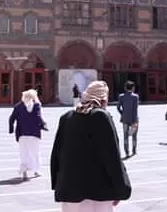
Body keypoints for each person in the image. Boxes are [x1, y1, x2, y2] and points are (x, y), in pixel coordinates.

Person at [51, 81, 132, 211]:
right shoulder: (101, 116)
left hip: (69, 191)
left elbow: (56, 155)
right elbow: (112, 158)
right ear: (103, 99)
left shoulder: (67, 117)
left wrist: (58, 184)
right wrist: (121, 189)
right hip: (98, 193)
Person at [9, 89, 45, 180]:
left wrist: (11, 129)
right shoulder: (36, 105)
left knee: (24, 153)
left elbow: (11, 118)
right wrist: (43, 125)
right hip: (34, 133)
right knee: (35, 152)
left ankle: (24, 171)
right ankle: (37, 170)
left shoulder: (18, 106)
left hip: (22, 133)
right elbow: (38, 117)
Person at [116, 81, 139, 157]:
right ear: (132, 88)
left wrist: (122, 113)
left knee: (125, 135)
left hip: (125, 119)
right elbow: (135, 109)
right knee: (134, 135)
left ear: (125, 88)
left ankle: (126, 152)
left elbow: (118, 107)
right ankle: (134, 150)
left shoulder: (121, 96)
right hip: (134, 119)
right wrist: (134, 120)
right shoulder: (135, 97)